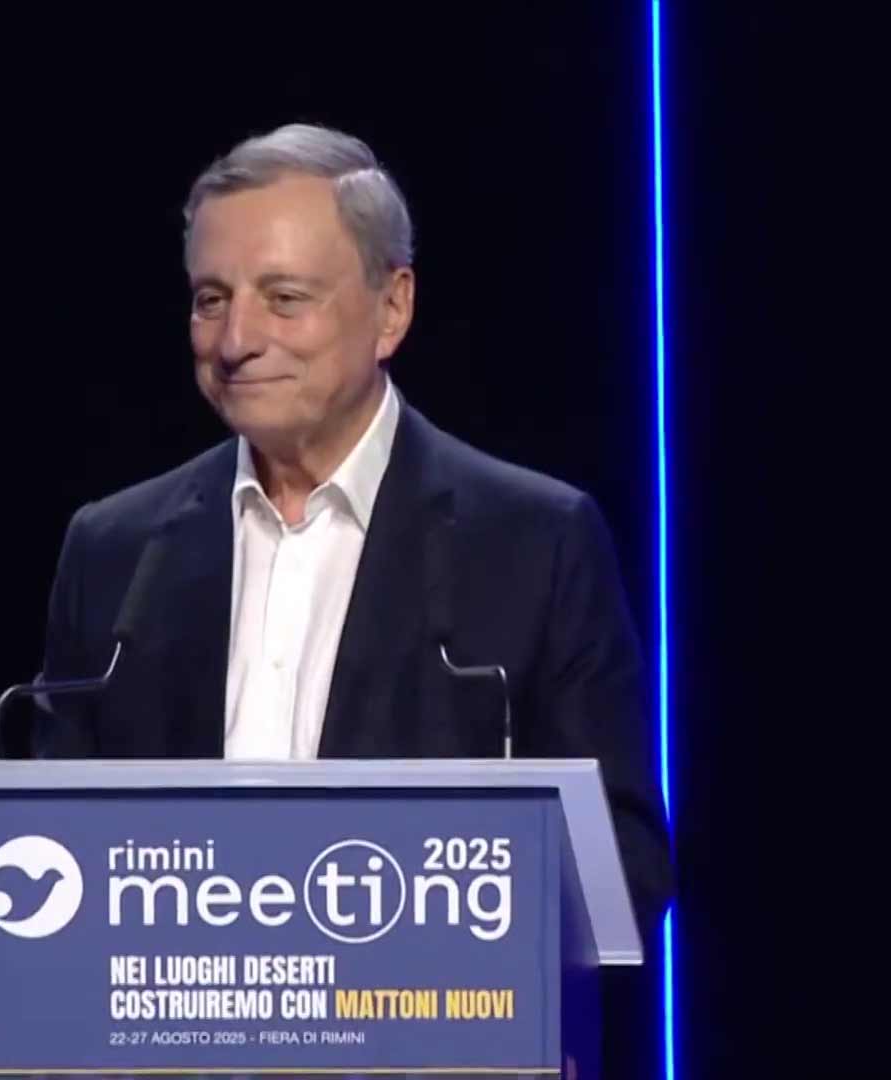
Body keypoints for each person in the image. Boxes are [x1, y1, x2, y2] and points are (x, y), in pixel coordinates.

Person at [34, 122, 672, 929]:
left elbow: (624, 862)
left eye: (285, 298)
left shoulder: (534, 544)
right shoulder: (114, 552)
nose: (236, 342)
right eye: (211, 300)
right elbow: (42, 843)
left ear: (391, 308)